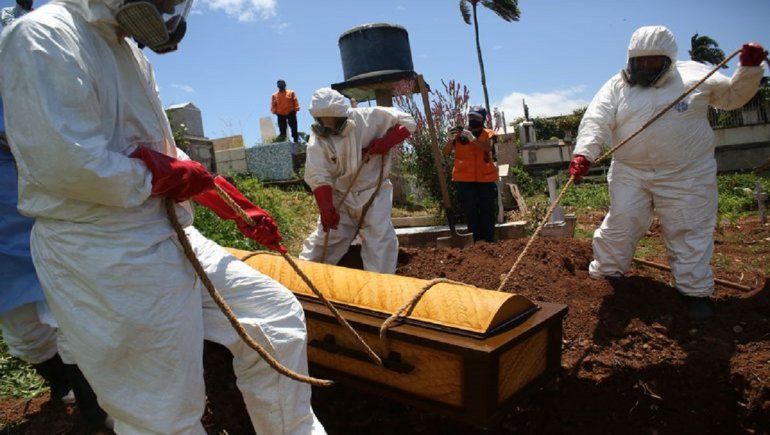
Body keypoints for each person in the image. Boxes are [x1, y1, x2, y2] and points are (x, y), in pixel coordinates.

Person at [0, 0, 324, 433]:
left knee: (273, 314)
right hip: (104, 251)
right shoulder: (43, 37)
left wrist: (230, 203)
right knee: (162, 411)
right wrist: (160, 174)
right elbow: (67, 165)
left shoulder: (128, 50)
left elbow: (167, 154)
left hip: (166, 231)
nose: (171, 8)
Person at [570, 25, 766, 321]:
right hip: (630, 172)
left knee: (688, 230)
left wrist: (749, 69)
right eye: (638, 61)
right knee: (621, 221)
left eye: (651, 61)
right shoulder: (616, 86)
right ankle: (608, 278)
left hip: (685, 174)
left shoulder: (694, 75)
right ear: (630, 59)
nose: (643, 67)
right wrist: (584, 153)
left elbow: (732, 98)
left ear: (668, 60)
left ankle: (694, 293)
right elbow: (596, 120)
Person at [0, 3, 111, 431]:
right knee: (22, 333)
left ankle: (94, 406)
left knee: (64, 311)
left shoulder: (19, 37)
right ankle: (61, 385)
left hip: (25, 188)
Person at [299, 88, 416, 274]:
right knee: (328, 238)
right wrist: (326, 208)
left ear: (344, 114)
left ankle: (381, 286)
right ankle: (304, 276)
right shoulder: (319, 139)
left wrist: (388, 141)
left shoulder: (371, 117)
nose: (329, 126)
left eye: (334, 121)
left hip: (374, 191)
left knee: (379, 237)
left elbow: (409, 122)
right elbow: (318, 174)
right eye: (324, 121)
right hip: (341, 195)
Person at [442, 106, 498, 243]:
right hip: (465, 180)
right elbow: (445, 152)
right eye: (471, 117)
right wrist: (450, 139)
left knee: (487, 210)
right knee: (470, 211)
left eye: (476, 117)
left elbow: (488, 148)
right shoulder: (459, 134)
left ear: (483, 119)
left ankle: (489, 241)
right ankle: (476, 241)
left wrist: (472, 138)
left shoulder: (488, 133)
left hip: (485, 179)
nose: (473, 120)